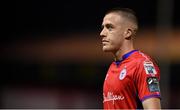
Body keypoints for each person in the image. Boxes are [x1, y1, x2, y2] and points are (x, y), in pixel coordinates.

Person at [100, 7, 161, 109]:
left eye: (109, 27)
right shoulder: (113, 66)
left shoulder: (142, 65)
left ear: (127, 33)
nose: (102, 33)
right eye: (103, 27)